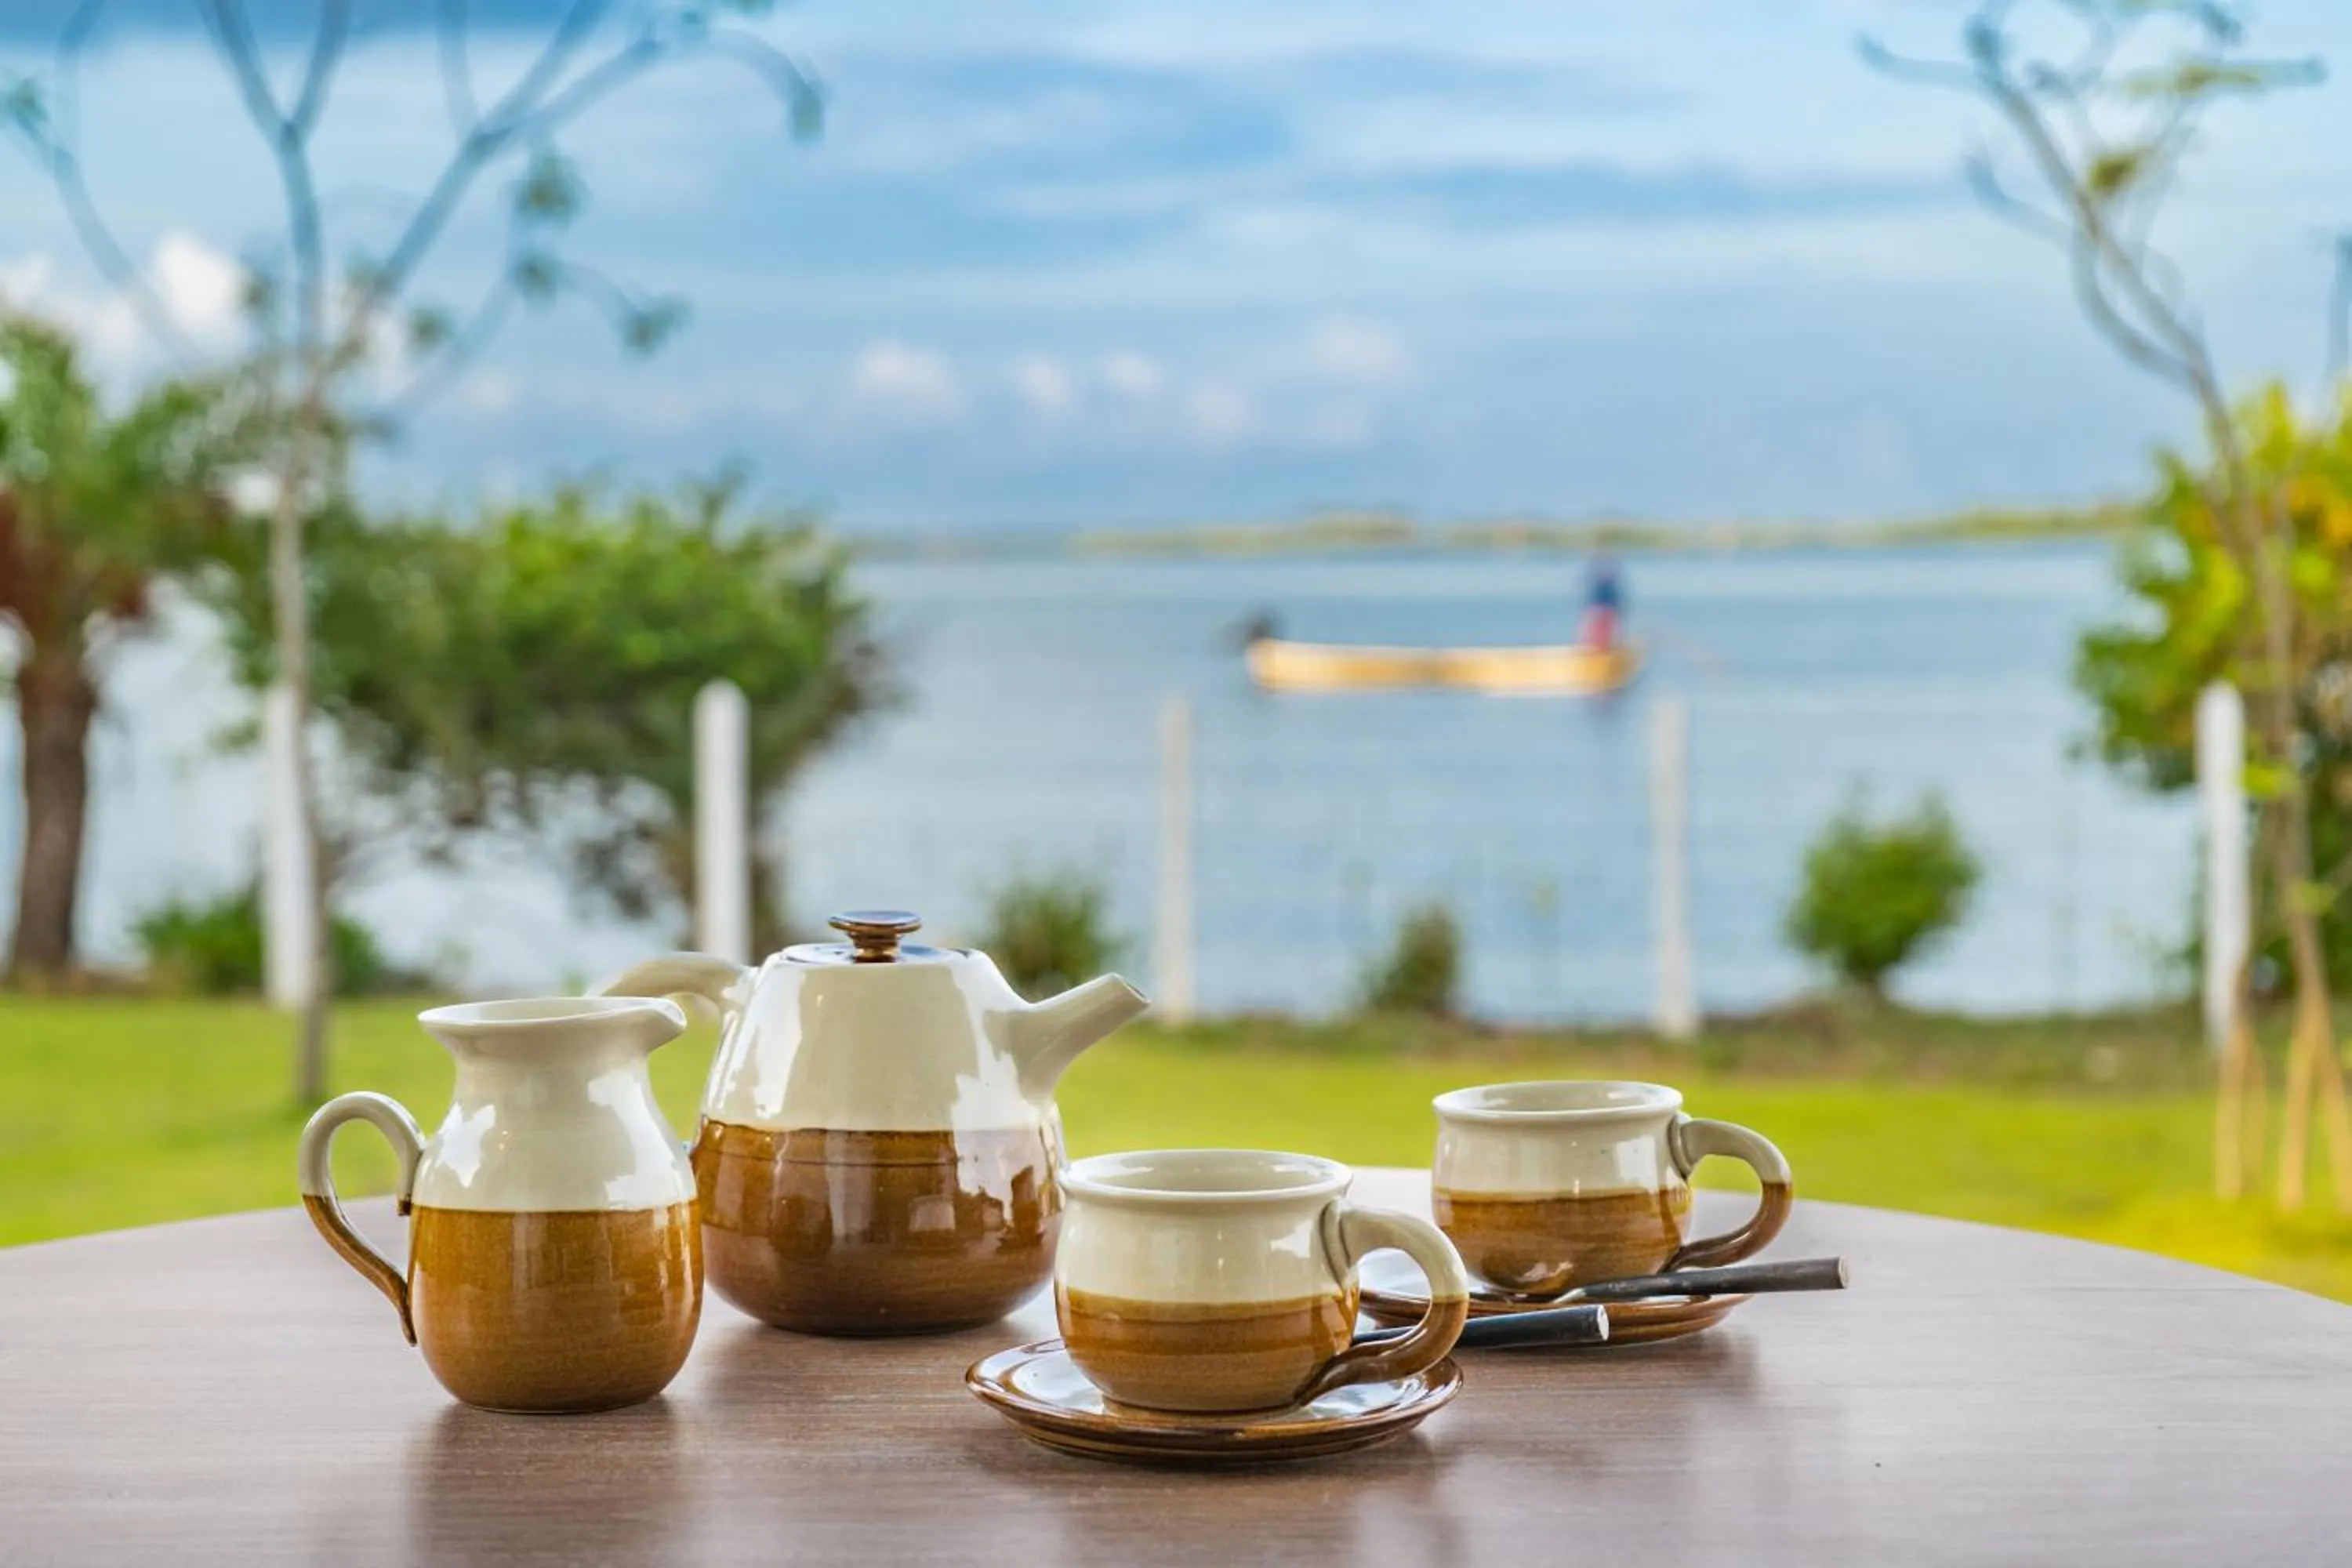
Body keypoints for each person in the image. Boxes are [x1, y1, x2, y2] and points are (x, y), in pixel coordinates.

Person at [1580, 550, 1625, 651]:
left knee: (1605, 620)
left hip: (1606, 603)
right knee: (1598, 620)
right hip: (1602, 603)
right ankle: (1592, 647)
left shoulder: (1608, 588)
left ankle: (1600, 646)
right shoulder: (1601, 588)